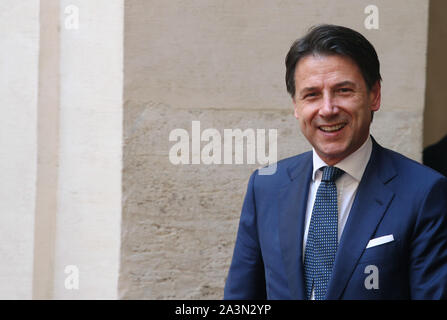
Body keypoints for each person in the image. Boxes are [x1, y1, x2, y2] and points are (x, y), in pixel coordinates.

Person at [224, 24, 447, 300]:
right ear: (296, 105)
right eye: (312, 95)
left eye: (343, 90)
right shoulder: (266, 185)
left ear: (374, 95)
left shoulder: (425, 193)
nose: (327, 109)